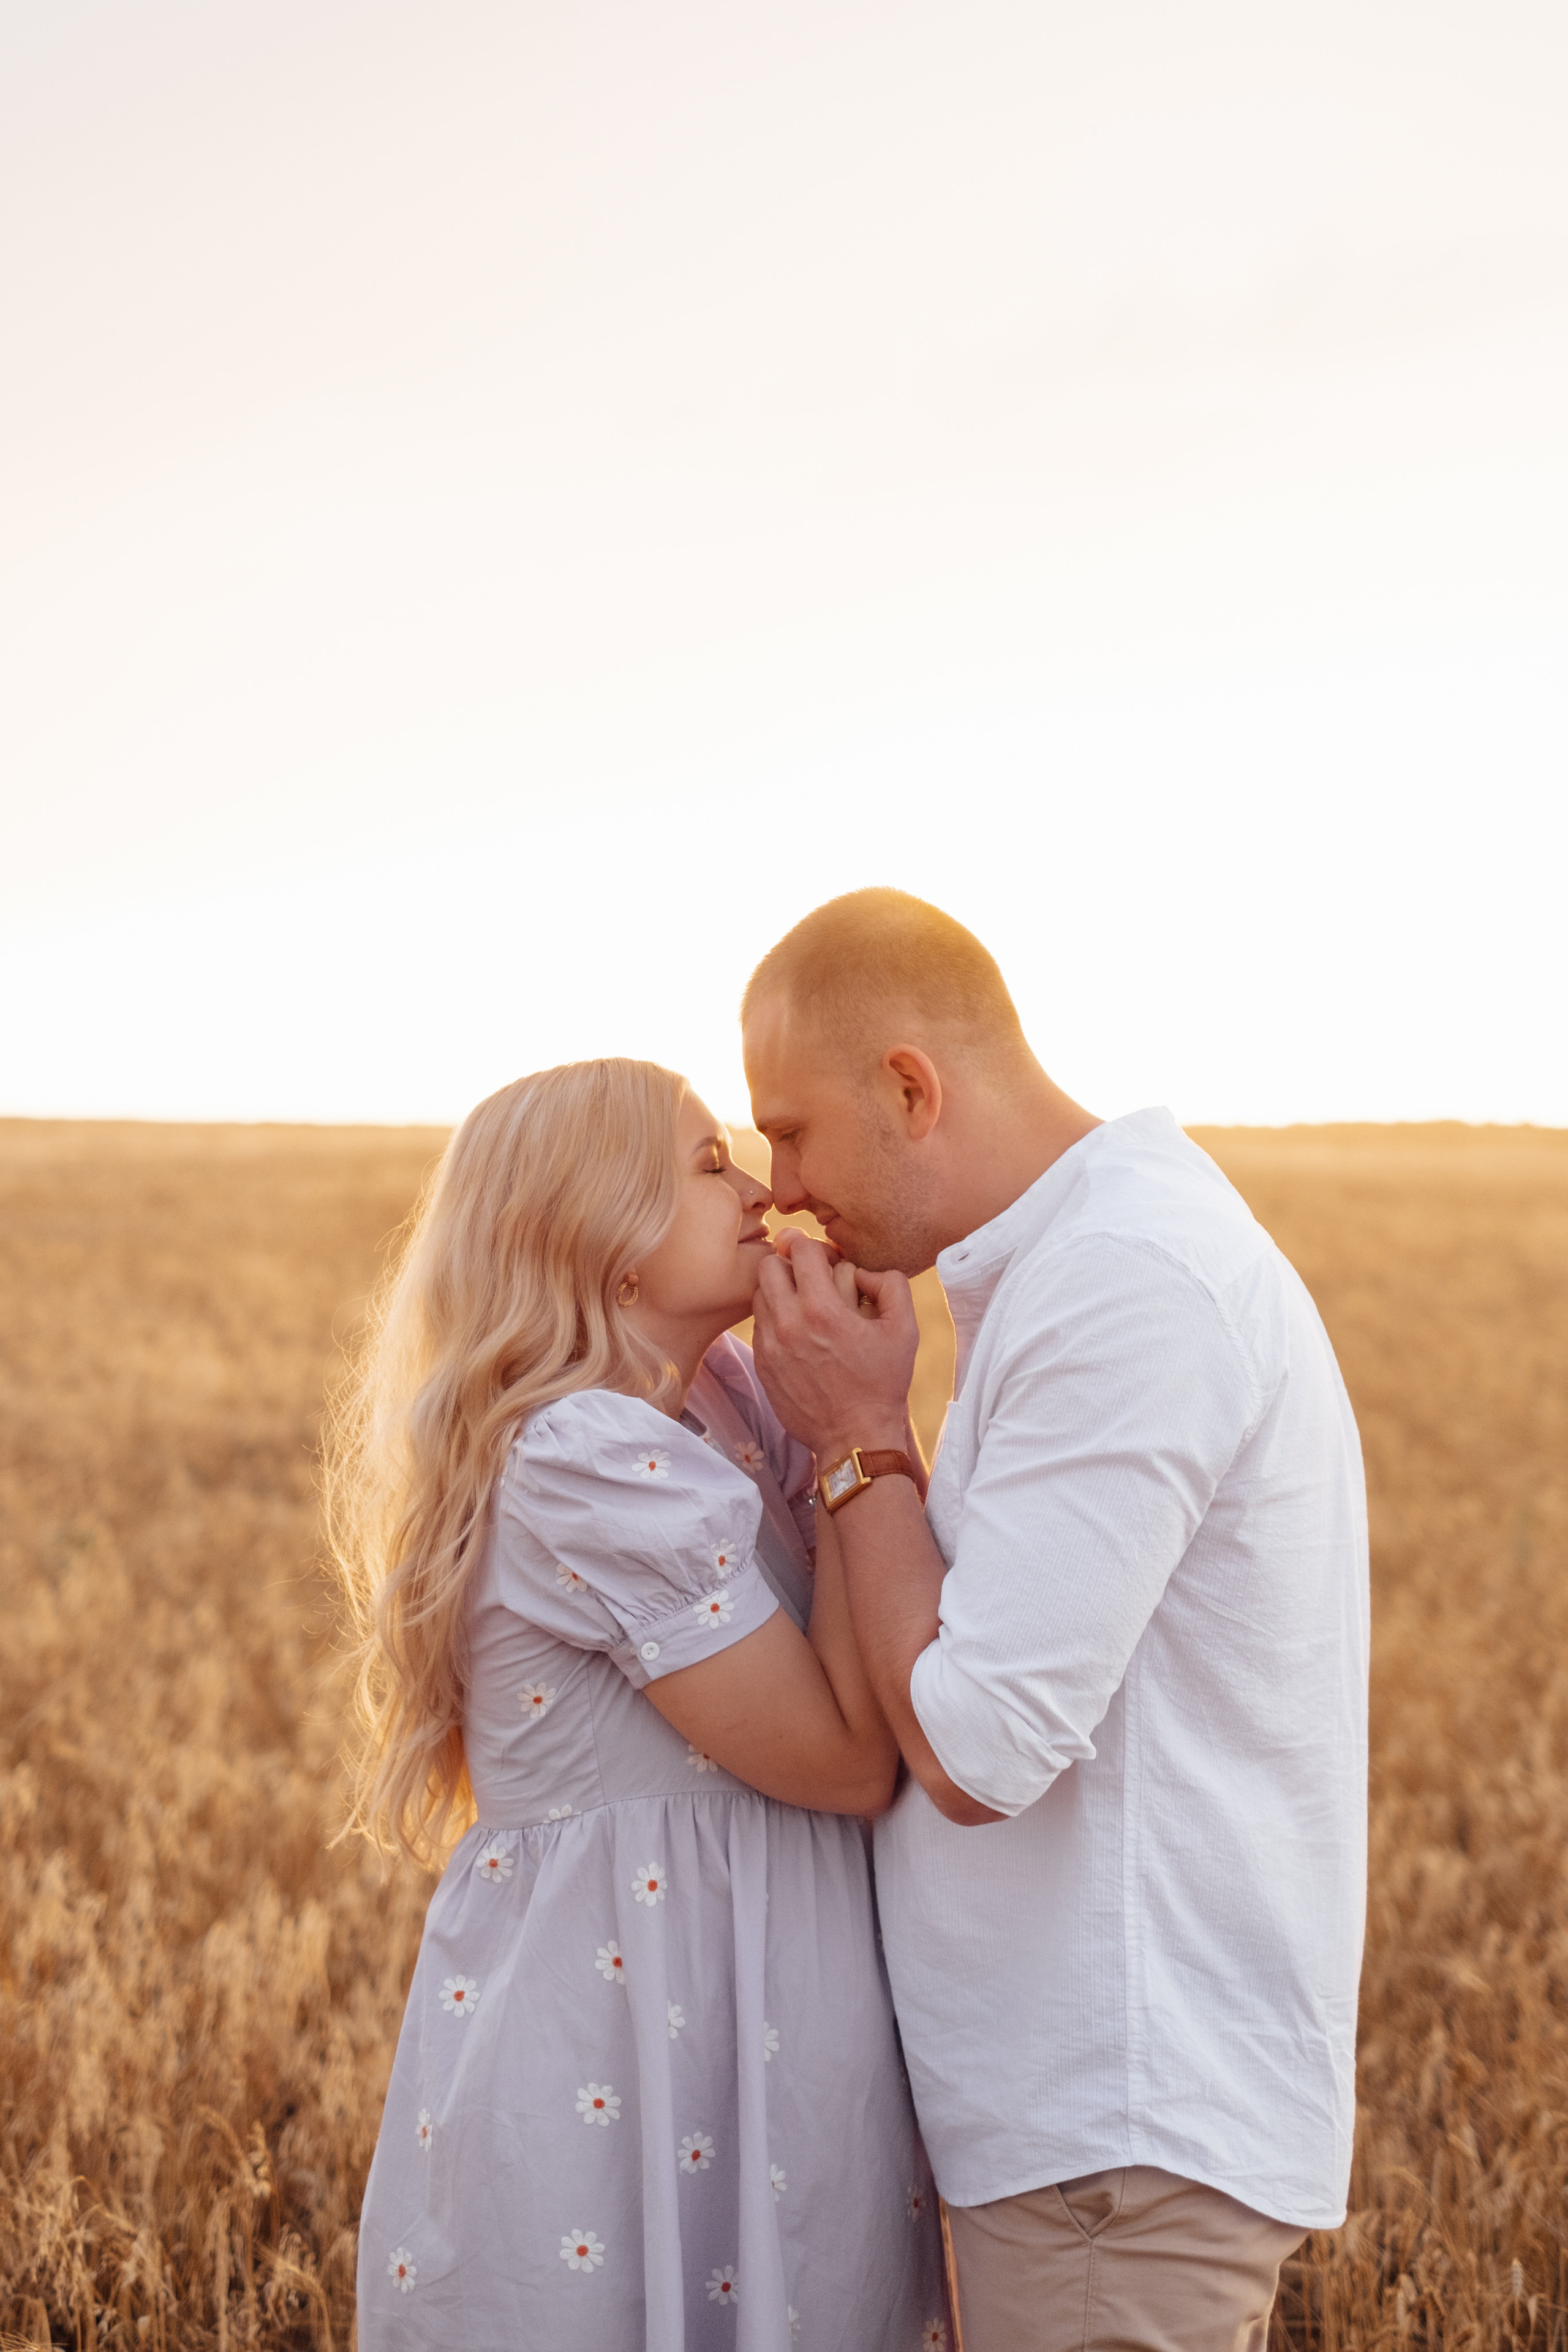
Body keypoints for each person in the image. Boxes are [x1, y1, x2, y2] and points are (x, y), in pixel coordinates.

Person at [743, 889, 1370, 2352]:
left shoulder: (1124, 1278)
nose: (776, 1186)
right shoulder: (1086, 1262)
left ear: (909, 1088)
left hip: (1113, 2137)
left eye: (790, 1131)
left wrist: (853, 1439)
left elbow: (976, 1747)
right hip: (1081, 2133)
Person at [329, 1058, 947, 2352]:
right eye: (709, 1163)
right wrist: (851, 1435)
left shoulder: (721, 1400)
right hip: (625, 2029)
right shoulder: (577, 1455)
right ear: (601, 1233)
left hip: (762, 1997)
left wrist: (832, 1413)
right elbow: (845, 1758)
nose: (763, 1191)